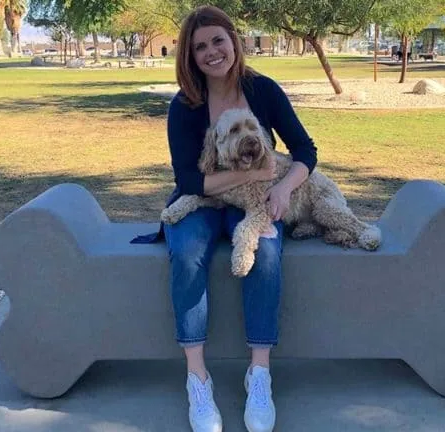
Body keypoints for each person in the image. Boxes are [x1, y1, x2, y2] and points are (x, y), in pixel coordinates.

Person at [133, 5, 317, 432]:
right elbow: (188, 179)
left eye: (218, 40)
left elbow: (305, 151)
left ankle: (259, 374)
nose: (212, 52)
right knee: (187, 250)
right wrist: (252, 171)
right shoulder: (185, 106)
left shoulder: (264, 90)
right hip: (201, 200)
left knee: (266, 251)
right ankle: (197, 379)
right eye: (200, 47)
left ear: (234, 40)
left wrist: (283, 187)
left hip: (255, 201)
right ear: (190, 56)